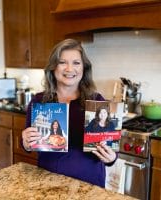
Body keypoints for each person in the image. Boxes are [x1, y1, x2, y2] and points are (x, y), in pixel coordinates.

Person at [21, 38, 117, 187]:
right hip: (48, 182)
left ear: (84, 68)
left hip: (88, 184)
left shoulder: (96, 101)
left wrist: (111, 158)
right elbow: (29, 143)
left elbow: (108, 145)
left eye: (76, 63)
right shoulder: (39, 101)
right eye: (62, 62)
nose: (69, 69)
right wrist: (26, 142)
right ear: (53, 67)